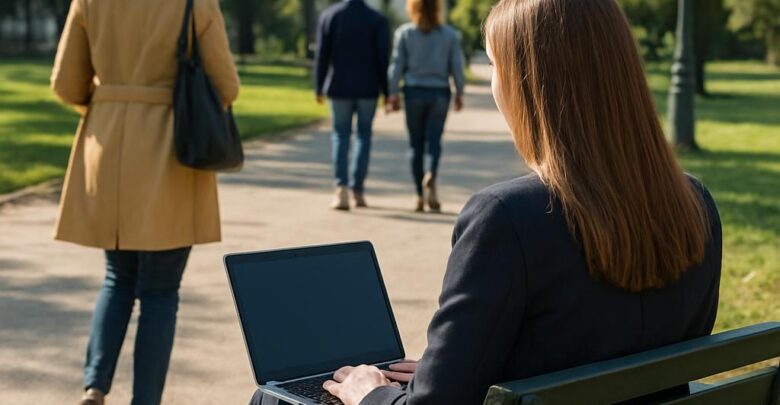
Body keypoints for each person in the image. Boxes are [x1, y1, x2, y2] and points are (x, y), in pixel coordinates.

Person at [249, 0, 723, 403]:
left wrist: (370, 391)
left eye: (495, 65)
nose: (494, 83)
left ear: (528, 82)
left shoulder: (507, 219)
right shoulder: (695, 205)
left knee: (271, 397)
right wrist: (446, 372)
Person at [50, 0, 239, 404]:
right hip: (172, 149)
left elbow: (66, 84)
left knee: (117, 276)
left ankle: (95, 385)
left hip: (108, 139)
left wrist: (115, 102)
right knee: (160, 289)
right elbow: (226, 86)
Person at [387, 0, 465, 212]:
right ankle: (431, 174)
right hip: (439, 91)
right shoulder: (449, 35)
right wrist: (459, 92)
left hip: (413, 91)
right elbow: (457, 67)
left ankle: (419, 196)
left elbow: (396, 65)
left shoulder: (405, 33)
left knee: (416, 144)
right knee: (434, 140)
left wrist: (393, 93)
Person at [315, 0, 390, 210]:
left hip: (338, 87)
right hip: (368, 88)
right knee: (364, 137)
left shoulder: (330, 16)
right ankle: (358, 190)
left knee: (340, 136)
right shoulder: (377, 20)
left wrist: (318, 86)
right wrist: (387, 91)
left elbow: (322, 55)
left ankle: (341, 189)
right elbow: (382, 59)